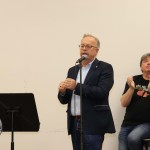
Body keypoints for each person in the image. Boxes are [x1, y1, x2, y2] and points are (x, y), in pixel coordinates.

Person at [58, 34, 116, 150]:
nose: (84, 48)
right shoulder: (73, 70)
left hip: (93, 122)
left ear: (96, 50)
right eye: (82, 46)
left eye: (88, 46)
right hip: (74, 122)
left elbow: (102, 92)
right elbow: (64, 100)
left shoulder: (105, 68)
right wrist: (62, 91)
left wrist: (76, 86)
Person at [118, 53, 150, 150]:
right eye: (145, 61)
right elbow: (124, 103)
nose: (149, 63)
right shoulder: (134, 80)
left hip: (147, 123)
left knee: (133, 138)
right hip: (128, 123)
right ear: (141, 66)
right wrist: (131, 88)